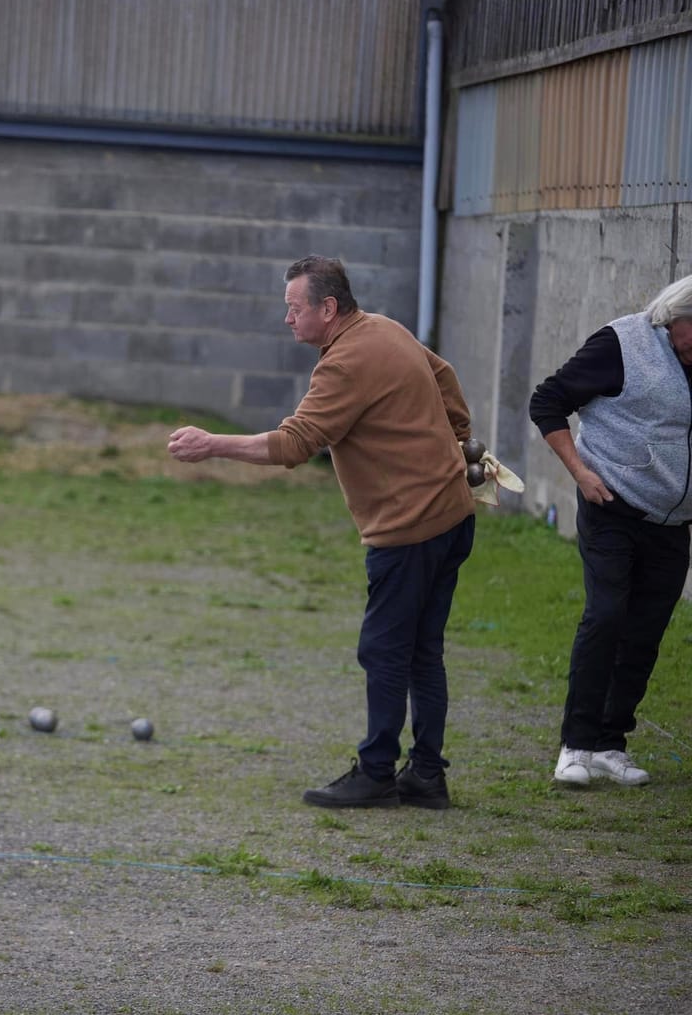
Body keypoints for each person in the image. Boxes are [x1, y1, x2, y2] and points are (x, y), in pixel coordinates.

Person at [168, 255, 476, 809]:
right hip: (452, 516)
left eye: (294, 308)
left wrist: (213, 444)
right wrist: (455, 443)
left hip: (409, 529)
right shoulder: (385, 329)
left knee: (384, 652)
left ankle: (377, 774)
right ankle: (427, 776)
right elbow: (445, 376)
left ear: (328, 308)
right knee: (422, 652)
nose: (287, 318)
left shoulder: (345, 362)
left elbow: (295, 443)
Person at [529, 275, 692, 788]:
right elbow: (547, 401)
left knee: (645, 632)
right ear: (676, 316)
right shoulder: (622, 343)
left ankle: (609, 744)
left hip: (672, 522)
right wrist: (580, 472)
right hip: (611, 507)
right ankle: (575, 746)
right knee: (605, 616)